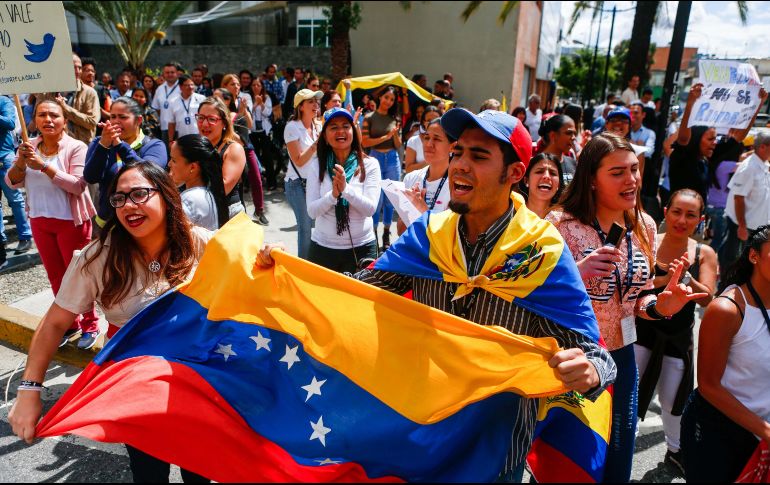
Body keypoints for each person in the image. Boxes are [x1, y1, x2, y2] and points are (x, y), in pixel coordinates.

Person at [258, 108, 618, 482]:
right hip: (423, 438)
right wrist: (290, 272)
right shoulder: (429, 236)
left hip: (497, 452)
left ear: (514, 174)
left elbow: (596, 351)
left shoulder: (543, 252)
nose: (460, 165)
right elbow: (358, 290)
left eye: (478, 157)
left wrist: (590, 370)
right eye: (458, 152)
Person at [8, 160, 213, 483]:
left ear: (167, 195)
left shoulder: (200, 242)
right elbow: (54, 324)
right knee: (148, 472)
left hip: (196, 382)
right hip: (134, 389)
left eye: (139, 194)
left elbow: (254, 269)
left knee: (200, 469)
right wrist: (29, 389)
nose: (128, 205)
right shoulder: (97, 257)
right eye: (119, 198)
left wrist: (269, 254)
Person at [548, 132, 707, 482]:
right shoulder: (559, 226)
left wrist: (662, 305)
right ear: (591, 178)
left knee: (619, 455)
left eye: (634, 169)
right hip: (572, 359)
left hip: (622, 356)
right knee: (569, 461)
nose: (632, 179)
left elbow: (637, 300)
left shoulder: (644, 225)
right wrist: (576, 272)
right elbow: (531, 293)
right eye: (618, 172)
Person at [5, 99, 100, 349]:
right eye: (42, 115)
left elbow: (79, 185)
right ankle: (70, 324)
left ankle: (90, 323)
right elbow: (13, 182)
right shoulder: (28, 147)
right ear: (34, 120)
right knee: (56, 277)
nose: (48, 119)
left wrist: (44, 167)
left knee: (78, 276)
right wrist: (21, 163)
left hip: (71, 223)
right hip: (39, 221)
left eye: (53, 115)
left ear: (64, 121)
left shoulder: (76, 147)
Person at [634, 189, 716, 476]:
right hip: (641, 332)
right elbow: (632, 286)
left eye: (690, 215)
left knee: (672, 399)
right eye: (677, 212)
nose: (682, 220)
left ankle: (675, 450)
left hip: (677, 338)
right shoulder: (646, 241)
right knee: (627, 393)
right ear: (665, 212)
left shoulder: (703, 252)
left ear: (700, 219)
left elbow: (707, 297)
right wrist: (665, 278)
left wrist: (685, 276)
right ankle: (614, 444)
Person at [681, 225, 770, 482]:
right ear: (754, 256)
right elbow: (709, 385)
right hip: (719, 432)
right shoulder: (727, 309)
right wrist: (765, 430)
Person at [305, 108, 381, 273]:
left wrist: (346, 190)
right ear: (325, 136)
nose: (340, 131)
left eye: (345, 126)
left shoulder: (370, 164)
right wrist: (332, 195)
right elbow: (311, 211)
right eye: (333, 127)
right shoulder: (316, 165)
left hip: (362, 248)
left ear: (353, 131)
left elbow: (370, 209)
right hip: (323, 249)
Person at [669, 83, 767, 206]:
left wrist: (758, 104)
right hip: (675, 222)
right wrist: (691, 103)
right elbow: (683, 139)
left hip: (697, 222)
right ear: (696, 139)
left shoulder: (706, 159)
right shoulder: (682, 156)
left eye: (715, 138)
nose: (715, 142)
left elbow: (738, 137)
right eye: (710, 139)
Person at [84, 96, 168, 228]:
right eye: (113, 117)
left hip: (142, 223)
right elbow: (91, 177)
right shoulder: (99, 142)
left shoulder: (154, 145)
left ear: (138, 120)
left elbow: (147, 175)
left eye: (123, 117)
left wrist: (119, 145)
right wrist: (104, 146)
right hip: (107, 225)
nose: (116, 122)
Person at [721, 133, 770, 271]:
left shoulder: (764, 164)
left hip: (756, 225)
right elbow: (738, 198)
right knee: (732, 258)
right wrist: (742, 226)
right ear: (762, 147)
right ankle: (725, 284)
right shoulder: (748, 168)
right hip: (743, 225)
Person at [362, 86, 403, 251]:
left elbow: (399, 145)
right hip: (375, 158)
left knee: (390, 200)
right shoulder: (369, 117)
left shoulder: (394, 118)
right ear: (380, 98)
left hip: (393, 159)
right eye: (386, 97)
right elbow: (365, 142)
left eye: (392, 99)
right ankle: (373, 234)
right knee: (376, 200)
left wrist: (394, 135)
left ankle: (386, 233)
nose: (388, 101)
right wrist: (385, 137)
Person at [284, 89, 323, 258]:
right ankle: (304, 267)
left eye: (317, 101)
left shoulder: (318, 125)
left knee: (317, 226)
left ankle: (314, 264)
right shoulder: (292, 127)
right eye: (311, 102)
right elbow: (298, 160)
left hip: (315, 182)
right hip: (297, 184)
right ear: (300, 107)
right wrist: (316, 144)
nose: (316, 104)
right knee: (306, 227)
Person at [196, 97, 248, 219]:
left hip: (228, 216)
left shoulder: (234, 149)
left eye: (211, 119)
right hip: (199, 213)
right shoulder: (193, 146)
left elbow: (222, 188)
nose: (204, 124)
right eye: (201, 118)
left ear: (224, 123)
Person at [399, 117, 452, 234]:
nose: (428, 144)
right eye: (426, 137)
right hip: (412, 250)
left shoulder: (457, 185)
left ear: (452, 146)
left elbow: (450, 237)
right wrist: (410, 208)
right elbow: (400, 231)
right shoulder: (411, 178)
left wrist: (423, 211)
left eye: (437, 139)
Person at [35, 54, 100, 145]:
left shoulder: (89, 93)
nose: (77, 71)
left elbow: (91, 123)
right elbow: (36, 119)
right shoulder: (46, 93)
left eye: (80, 68)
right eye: (73, 67)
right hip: (50, 146)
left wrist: (65, 108)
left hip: (80, 146)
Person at [169, 134, 230, 231]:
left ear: (193, 167)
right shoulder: (208, 192)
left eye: (174, 160)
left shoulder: (190, 200)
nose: (169, 164)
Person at [0, 96, 32, 265]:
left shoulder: (4, 101)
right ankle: (1, 240)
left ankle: (25, 236)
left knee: (15, 199)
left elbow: (11, 123)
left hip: (4, 156)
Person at [249, 77, 278, 193]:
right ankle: (257, 181)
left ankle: (272, 182)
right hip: (253, 132)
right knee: (254, 158)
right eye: (254, 85)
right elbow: (246, 113)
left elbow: (268, 113)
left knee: (268, 157)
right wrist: (255, 104)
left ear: (262, 87)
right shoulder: (248, 98)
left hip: (264, 132)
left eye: (258, 85)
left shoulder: (267, 98)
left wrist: (261, 104)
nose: (256, 87)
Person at [517, 152, 564, 219]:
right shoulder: (512, 214)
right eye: (539, 172)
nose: (546, 176)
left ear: (558, 185)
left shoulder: (565, 222)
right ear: (526, 181)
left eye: (553, 173)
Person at [537, 114, 577, 186]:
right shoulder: (535, 164)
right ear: (553, 135)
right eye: (569, 133)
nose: (573, 137)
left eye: (574, 133)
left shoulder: (573, 163)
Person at [168, 75, 206, 142]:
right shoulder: (173, 101)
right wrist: (170, 140)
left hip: (199, 137)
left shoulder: (201, 99)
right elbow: (171, 123)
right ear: (180, 87)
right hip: (182, 138)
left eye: (192, 85)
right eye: (187, 85)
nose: (190, 87)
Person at [150, 63, 181, 147]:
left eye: (172, 72)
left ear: (177, 73)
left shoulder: (183, 87)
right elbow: (157, 108)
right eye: (167, 72)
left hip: (180, 127)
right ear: (163, 74)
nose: (170, 74)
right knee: (167, 154)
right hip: (165, 128)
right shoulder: (160, 89)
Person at [403, 105, 441, 174]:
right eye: (429, 120)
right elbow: (408, 169)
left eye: (436, 120)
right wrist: (430, 161)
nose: (433, 123)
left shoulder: (446, 143)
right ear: (423, 122)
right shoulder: (413, 141)